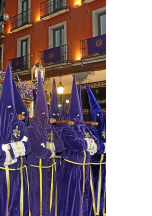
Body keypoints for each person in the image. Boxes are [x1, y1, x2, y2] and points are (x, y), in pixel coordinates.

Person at [0, 62, 31, 216]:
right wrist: (18, 148)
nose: (11, 114)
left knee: (18, 206)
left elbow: (28, 148)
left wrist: (11, 148)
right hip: (3, 176)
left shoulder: (20, 125)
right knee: (1, 206)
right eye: (7, 110)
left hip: (19, 174)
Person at [57, 76, 99, 216]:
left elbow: (97, 143)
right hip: (72, 170)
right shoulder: (67, 129)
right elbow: (77, 145)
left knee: (85, 198)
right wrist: (89, 143)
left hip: (85, 169)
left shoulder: (84, 128)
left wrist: (91, 143)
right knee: (73, 199)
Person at [27, 71, 64, 216]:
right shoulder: (31, 129)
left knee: (50, 197)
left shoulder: (50, 128)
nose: (44, 116)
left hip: (50, 169)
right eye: (42, 114)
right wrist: (50, 149)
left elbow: (60, 146)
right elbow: (37, 150)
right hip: (36, 169)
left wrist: (49, 147)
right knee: (37, 198)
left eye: (46, 113)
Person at [86, 83, 106, 216]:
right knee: (94, 189)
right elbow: (96, 148)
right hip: (94, 166)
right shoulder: (90, 128)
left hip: (104, 165)